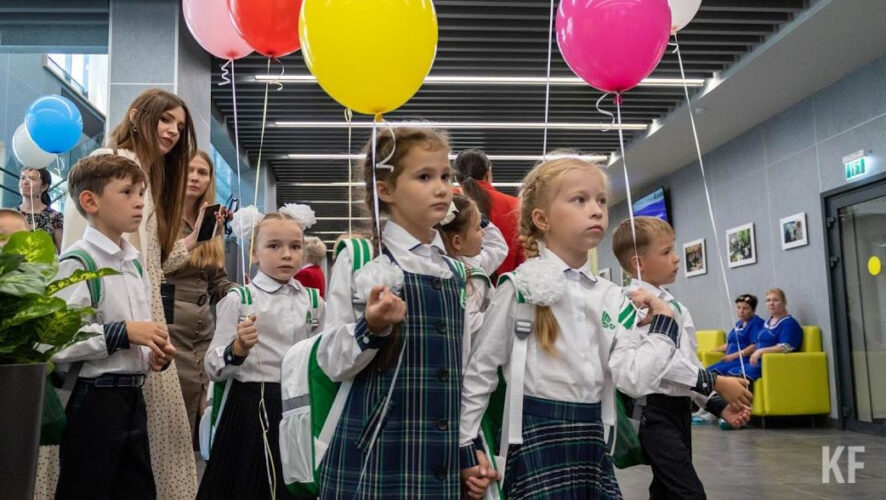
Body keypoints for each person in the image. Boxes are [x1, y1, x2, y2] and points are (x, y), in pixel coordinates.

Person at [458, 159, 745, 499]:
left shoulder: (611, 296)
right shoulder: (518, 288)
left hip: (594, 440)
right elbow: (480, 373)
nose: (595, 210)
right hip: (534, 438)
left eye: (601, 201)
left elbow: (634, 378)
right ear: (542, 219)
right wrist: (466, 449)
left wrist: (664, 323)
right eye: (579, 200)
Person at [316, 126, 490, 498]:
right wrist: (371, 328)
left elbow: (466, 369)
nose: (442, 187)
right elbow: (331, 360)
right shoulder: (361, 258)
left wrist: (468, 448)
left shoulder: (456, 271)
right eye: (424, 176)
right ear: (385, 189)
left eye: (446, 176)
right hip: (375, 448)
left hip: (440, 453)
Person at [59, 88, 210, 499]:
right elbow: (61, 337)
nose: (173, 132)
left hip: (135, 361)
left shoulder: (141, 181)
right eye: (165, 120)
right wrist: (127, 332)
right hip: (97, 379)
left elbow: (152, 263)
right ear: (138, 115)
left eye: (179, 126)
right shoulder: (121, 165)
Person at [52, 154, 176, 499]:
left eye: (141, 192)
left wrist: (153, 353)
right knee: (87, 488)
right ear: (90, 201)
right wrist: (123, 333)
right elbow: (57, 341)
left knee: (135, 489)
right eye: (127, 192)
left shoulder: (134, 265)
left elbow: (138, 332)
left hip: (132, 396)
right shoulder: (77, 262)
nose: (139, 202)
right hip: (92, 400)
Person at [612, 216, 752, 500]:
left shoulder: (674, 305)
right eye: (666, 252)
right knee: (688, 492)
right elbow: (662, 364)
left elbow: (688, 361)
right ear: (639, 262)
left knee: (666, 491)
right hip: (651, 412)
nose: (676, 259)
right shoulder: (634, 304)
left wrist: (715, 404)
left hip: (678, 410)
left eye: (673, 250)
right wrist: (717, 380)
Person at [198, 211, 325, 500]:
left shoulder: (314, 302)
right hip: (250, 408)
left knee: (293, 483)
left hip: (298, 408)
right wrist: (237, 350)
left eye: (295, 246)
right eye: (274, 246)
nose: (286, 255)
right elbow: (212, 365)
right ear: (254, 254)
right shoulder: (239, 299)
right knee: (249, 483)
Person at [164, 150, 236, 447]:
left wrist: (238, 293)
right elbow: (155, 265)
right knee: (173, 411)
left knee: (204, 408)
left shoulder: (212, 219)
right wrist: (191, 238)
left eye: (202, 172)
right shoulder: (161, 215)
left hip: (204, 329)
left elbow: (216, 278)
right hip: (169, 326)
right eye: (189, 170)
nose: (195, 177)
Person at [435, 193, 507, 345]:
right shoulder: (471, 276)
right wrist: (502, 317)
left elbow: (497, 247)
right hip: (468, 360)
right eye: (477, 228)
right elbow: (470, 324)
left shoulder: (458, 262)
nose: (483, 232)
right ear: (457, 242)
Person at [454, 148, 523, 277]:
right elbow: (523, 259)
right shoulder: (515, 206)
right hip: (504, 289)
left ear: (457, 178)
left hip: (456, 286)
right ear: (488, 173)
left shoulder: (446, 203)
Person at [727, 288, 803, 381]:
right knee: (729, 373)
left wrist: (760, 351)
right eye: (768, 300)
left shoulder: (789, 323)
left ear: (784, 302)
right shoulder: (767, 322)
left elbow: (786, 347)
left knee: (736, 378)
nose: (771, 303)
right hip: (757, 362)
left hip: (772, 364)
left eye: (775, 300)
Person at [706, 294, 765, 375]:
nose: (741, 311)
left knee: (714, 374)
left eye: (745, 308)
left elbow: (754, 346)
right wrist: (713, 351)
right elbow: (731, 343)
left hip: (742, 360)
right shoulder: (739, 323)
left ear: (753, 310)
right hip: (729, 360)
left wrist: (733, 356)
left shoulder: (756, 323)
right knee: (705, 372)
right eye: (739, 307)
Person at [18, 167, 63, 252]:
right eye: (22, 178)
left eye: (32, 178)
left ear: (44, 186)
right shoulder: (11, 215)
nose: (25, 182)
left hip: (45, 264)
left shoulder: (55, 217)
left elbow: (62, 252)